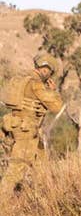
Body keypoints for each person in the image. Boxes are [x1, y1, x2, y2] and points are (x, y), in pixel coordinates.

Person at [2, 57, 64, 192]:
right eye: (50, 72)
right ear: (46, 70)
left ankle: (42, 200)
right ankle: (3, 205)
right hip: (26, 131)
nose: (49, 75)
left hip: (22, 127)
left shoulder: (23, 79)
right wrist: (53, 91)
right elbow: (56, 107)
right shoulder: (36, 84)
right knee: (16, 169)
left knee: (41, 167)